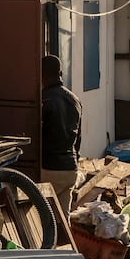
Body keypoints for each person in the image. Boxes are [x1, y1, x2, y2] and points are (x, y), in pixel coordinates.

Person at [41, 55, 83, 221]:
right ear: (61, 72)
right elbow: (78, 139)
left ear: (41, 74)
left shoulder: (43, 100)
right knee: (63, 222)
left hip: (48, 169)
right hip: (70, 169)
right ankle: (67, 246)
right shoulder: (75, 100)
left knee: (40, 221)